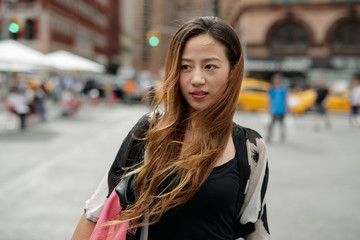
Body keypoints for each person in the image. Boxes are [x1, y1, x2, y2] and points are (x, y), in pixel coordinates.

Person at [72, 16, 270, 240]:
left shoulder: (250, 147)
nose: (196, 78)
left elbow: (255, 226)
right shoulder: (150, 131)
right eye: (185, 66)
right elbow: (96, 212)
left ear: (233, 71)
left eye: (210, 66)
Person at [266, 73, 288, 142]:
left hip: (282, 108)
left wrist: (287, 108)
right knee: (272, 123)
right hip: (274, 109)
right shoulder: (272, 89)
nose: (276, 81)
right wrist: (268, 108)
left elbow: (285, 99)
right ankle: (269, 136)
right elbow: (269, 99)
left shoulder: (283, 89)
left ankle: (282, 135)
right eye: (275, 79)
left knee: (282, 123)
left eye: (277, 79)